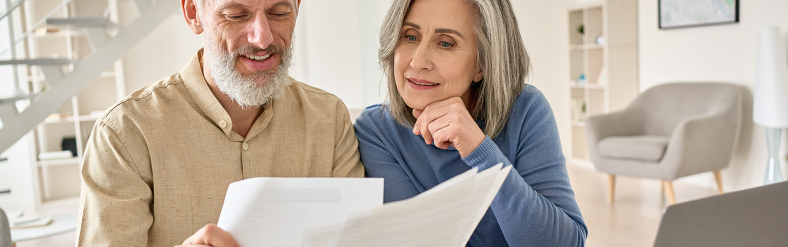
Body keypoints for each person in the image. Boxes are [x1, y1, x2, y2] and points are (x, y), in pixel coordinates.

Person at [75, 0, 364, 246]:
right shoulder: (125, 133)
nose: (262, 39)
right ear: (193, 13)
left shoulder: (329, 118)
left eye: (278, 12)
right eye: (236, 15)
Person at [353, 0, 588, 246]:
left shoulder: (525, 109)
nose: (418, 61)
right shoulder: (376, 131)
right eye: (410, 37)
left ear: (482, 64)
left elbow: (566, 243)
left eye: (445, 43)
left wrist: (480, 151)